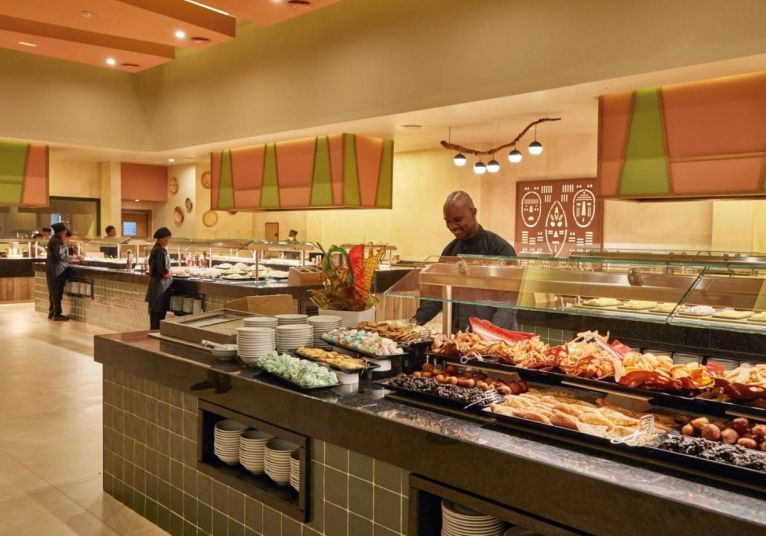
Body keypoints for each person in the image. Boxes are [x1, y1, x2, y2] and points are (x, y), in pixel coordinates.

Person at [413, 191, 517, 332]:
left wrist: (489, 334)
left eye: (458, 219)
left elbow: (508, 304)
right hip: (458, 336)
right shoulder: (449, 251)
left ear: (473, 213)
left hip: (495, 338)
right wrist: (416, 320)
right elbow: (437, 295)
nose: (452, 226)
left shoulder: (500, 249)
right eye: (448, 221)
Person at [145, 227, 173, 330]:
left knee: (154, 317)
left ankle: (153, 336)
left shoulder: (155, 248)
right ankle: (155, 337)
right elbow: (163, 272)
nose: (168, 241)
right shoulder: (161, 251)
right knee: (158, 317)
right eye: (168, 238)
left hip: (155, 286)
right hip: (160, 288)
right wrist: (172, 272)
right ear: (162, 238)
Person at [46, 222, 72, 321]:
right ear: (60, 232)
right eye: (64, 233)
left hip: (52, 268)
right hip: (56, 269)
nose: (65, 234)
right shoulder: (57, 241)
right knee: (57, 291)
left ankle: (52, 312)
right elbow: (61, 256)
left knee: (53, 291)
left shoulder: (53, 239)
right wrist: (73, 258)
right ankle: (57, 314)